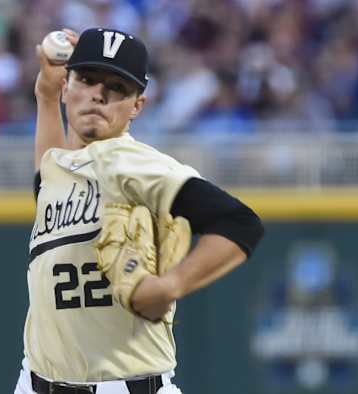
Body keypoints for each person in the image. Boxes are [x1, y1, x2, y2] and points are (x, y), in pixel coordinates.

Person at [14, 27, 264, 394]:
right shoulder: (61, 168)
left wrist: (171, 284)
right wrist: (46, 96)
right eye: (87, 79)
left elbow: (240, 223)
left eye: (116, 87)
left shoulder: (135, 165)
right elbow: (47, 182)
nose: (98, 94)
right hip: (34, 383)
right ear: (69, 86)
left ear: (136, 105)